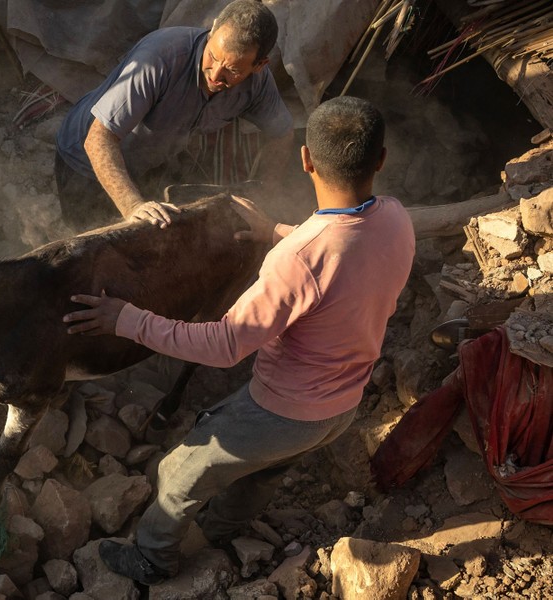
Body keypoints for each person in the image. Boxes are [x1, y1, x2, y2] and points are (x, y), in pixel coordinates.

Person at [62, 96, 415, 585]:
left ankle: (153, 559)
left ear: (306, 160)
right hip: (343, 406)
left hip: (285, 411)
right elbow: (345, 253)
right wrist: (275, 230)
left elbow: (224, 347)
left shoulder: (297, 260)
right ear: (380, 159)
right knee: (264, 469)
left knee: (180, 473)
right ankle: (224, 530)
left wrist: (127, 318)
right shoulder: (397, 218)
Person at [55, 0, 294, 231]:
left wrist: (265, 193)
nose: (215, 74)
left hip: (149, 162)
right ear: (211, 32)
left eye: (232, 70)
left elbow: (282, 133)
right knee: (92, 249)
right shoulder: (159, 58)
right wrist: (133, 206)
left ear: (259, 65)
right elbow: (98, 138)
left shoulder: (259, 84)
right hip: (84, 160)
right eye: (213, 56)